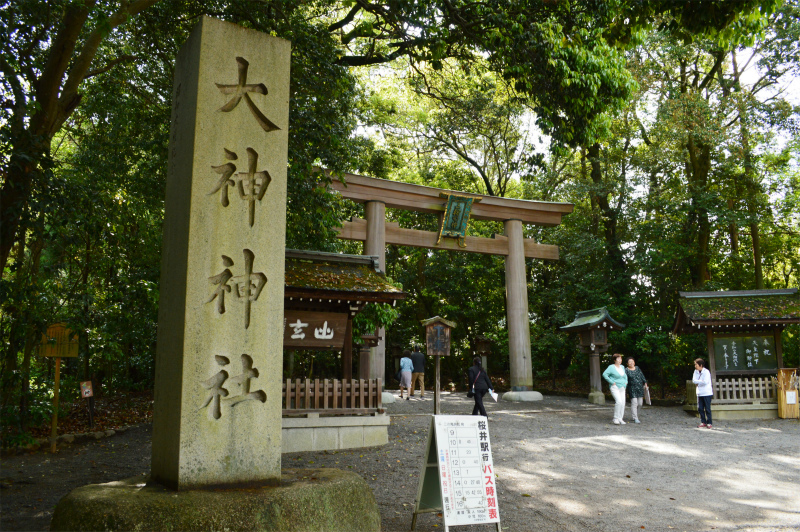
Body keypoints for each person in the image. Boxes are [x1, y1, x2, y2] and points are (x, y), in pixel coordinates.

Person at [602, 353, 628, 425]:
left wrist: (626, 382)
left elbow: (625, 376)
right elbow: (604, 374)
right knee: (619, 401)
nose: (620, 360)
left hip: (623, 387)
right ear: (614, 360)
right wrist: (611, 382)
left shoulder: (622, 367)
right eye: (618, 359)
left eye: (621, 359)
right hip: (615, 387)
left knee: (623, 403)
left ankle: (620, 418)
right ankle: (615, 418)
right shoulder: (611, 367)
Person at [625, 357, 648, 423]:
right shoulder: (626, 370)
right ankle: (635, 417)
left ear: (634, 362)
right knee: (634, 403)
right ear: (627, 363)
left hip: (640, 387)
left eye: (632, 361)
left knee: (640, 403)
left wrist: (645, 383)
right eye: (630, 362)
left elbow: (642, 376)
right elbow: (625, 378)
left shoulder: (637, 368)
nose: (631, 363)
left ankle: (636, 415)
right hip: (632, 388)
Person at [693, 358, 713, 429]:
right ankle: (703, 421)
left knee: (707, 408)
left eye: (696, 364)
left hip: (707, 393)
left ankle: (709, 422)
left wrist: (698, 382)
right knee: (700, 408)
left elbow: (705, 382)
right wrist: (699, 381)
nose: (695, 366)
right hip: (699, 393)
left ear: (700, 365)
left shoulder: (706, 372)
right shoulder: (695, 372)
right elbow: (694, 380)